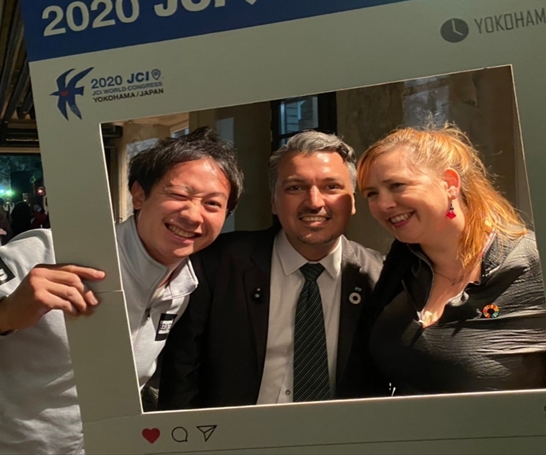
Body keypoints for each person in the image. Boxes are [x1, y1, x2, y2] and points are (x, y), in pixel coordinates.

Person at [0, 127, 244, 454]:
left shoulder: (182, 286)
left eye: (213, 204)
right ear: (138, 195)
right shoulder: (51, 252)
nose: (193, 215)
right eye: (179, 194)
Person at [159, 130, 384, 409]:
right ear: (274, 202)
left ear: (352, 202)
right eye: (295, 188)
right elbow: (180, 373)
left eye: (331, 187)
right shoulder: (216, 263)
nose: (314, 202)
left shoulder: (380, 276)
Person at [355, 124, 546, 395]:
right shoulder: (403, 266)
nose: (383, 204)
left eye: (397, 185)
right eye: (372, 194)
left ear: (450, 184)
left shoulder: (537, 263)